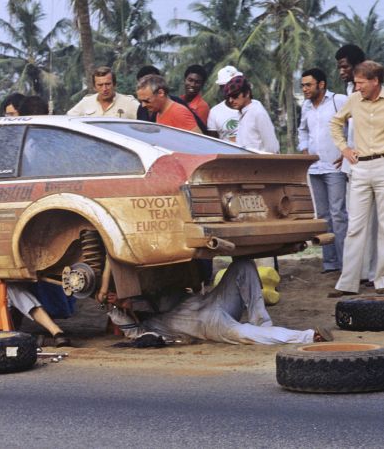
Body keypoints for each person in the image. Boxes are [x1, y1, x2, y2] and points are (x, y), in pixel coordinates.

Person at [107, 259, 333, 345]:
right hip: (207, 325)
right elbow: (131, 330)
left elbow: (166, 300)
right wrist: (116, 306)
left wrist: (130, 302)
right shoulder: (148, 328)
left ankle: (263, 323)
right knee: (244, 333)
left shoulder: (154, 296)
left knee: (242, 265)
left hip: (213, 302)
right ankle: (309, 336)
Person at [328, 61, 384, 297]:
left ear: (375, 81)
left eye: (361, 83)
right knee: (355, 226)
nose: (357, 87)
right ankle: (347, 283)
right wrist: (344, 148)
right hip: (359, 165)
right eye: (355, 83)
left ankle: (381, 281)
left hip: (383, 163)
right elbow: (335, 122)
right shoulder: (353, 100)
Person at [297, 67, 348, 274]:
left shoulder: (339, 100)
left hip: (335, 166)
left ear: (321, 84)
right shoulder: (306, 106)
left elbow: (352, 125)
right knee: (323, 215)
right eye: (302, 86)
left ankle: (347, 265)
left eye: (308, 85)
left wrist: (347, 150)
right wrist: (303, 149)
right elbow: (302, 130)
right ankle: (330, 263)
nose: (305, 89)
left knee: (338, 215)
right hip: (314, 168)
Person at [223, 75, 279, 153]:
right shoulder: (242, 113)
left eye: (235, 96)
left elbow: (272, 148)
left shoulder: (258, 113)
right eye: (229, 97)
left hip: (260, 163)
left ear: (247, 93)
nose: (231, 100)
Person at [136, 74, 202, 133]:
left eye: (147, 100)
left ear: (160, 93)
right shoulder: (159, 112)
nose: (143, 105)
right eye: (141, 101)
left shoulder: (178, 112)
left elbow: (201, 143)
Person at [67, 66, 139, 118]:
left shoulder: (129, 102)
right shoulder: (86, 102)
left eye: (108, 84)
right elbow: (68, 120)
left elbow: (146, 123)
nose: (104, 89)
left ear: (114, 84)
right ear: (94, 87)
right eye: (100, 85)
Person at [206, 65, 243, 141]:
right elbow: (212, 144)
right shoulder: (215, 112)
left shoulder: (253, 106)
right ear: (221, 88)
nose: (232, 89)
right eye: (228, 86)